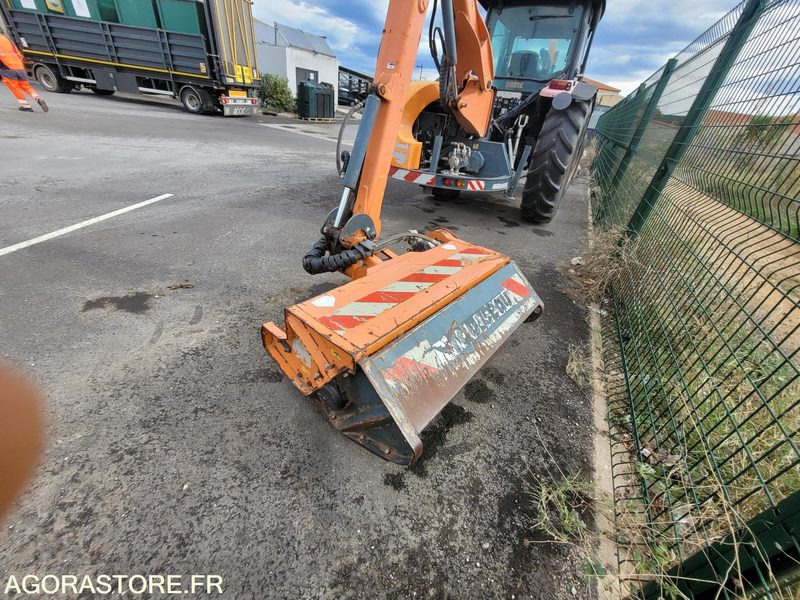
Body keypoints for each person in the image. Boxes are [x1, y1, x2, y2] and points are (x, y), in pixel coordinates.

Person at [0, 32, 48, 112]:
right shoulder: (7, 40)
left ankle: (26, 106)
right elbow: (19, 54)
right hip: (20, 67)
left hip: (7, 68)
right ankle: (37, 98)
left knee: (15, 88)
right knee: (27, 87)